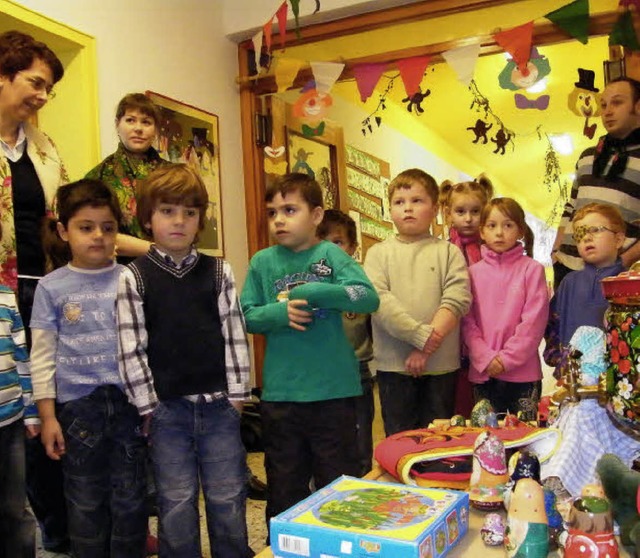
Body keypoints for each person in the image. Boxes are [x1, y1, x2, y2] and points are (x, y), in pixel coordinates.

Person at [117, 164, 253, 557]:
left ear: (200, 221)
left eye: (189, 213)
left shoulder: (218, 272)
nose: (179, 221)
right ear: (147, 218)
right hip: (166, 412)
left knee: (228, 495)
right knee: (175, 501)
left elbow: (234, 334)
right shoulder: (134, 277)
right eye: (167, 211)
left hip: (218, 407)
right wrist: (148, 406)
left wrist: (238, 396)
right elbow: (130, 348)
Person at [240, 173, 379, 528]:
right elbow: (246, 315)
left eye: (290, 210)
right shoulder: (262, 262)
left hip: (334, 393)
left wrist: (318, 292)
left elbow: (366, 296)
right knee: (284, 483)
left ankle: (339, 544)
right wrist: (279, 313)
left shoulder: (330, 254)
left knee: (338, 484)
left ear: (316, 216)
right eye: (272, 213)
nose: (279, 220)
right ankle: (284, 545)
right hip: (282, 396)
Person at [30, 180, 147, 557]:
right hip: (78, 410)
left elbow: (147, 346)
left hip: (128, 403)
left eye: (108, 227)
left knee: (131, 498)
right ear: (64, 231)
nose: (98, 236)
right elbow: (43, 356)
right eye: (86, 227)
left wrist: (150, 404)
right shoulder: (51, 287)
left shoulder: (132, 280)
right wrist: (47, 416)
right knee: (84, 499)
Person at [0, 29, 70, 554]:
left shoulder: (43, 149)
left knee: (47, 412)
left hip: (40, 292)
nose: (42, 96)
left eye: (48, 88)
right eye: (35, 83)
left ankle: (59, 530)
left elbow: (67, 218)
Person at [364, 168, 471, 436]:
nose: (407, 208)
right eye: (399, 202)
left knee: (439, 439)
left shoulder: (449, 252)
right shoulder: (378, 254)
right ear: (390, 209)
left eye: (417, 201)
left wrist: (426, 348)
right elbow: (379, 301)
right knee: (399, 438)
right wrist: (418, 336)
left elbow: (456, 299)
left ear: (435, 208)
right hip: (393, 366)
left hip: (440, 366)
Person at [462, 198, 549, 420]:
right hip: (484, 371)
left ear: (520, 229)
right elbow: (467, 321)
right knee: (487, 438)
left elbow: (534, 323)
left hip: (523, 374)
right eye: (492, 226)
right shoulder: (472, 273)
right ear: (482, 231)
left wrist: (507, 359)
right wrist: (486, 358)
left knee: (526, 438)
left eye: (508, 225)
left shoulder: (532, 270)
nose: (499, 232)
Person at [552, 77, 640, 288]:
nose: (607, 111)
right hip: (566, 267)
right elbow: (570, 207)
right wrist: (556, 251)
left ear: (638, 106)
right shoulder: (587, 156)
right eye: (603, 105)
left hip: (613, 272)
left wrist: (623, 262)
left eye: (617, 102)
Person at [317, 208, 375, 477]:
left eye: (337, 242)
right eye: (322, 241)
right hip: (320, 377)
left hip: (357, 372)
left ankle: (361, 482)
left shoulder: (360, 285)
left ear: (352, 247)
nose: (329, 249)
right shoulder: (307, 286)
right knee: (324, 439)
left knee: (360, 439)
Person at [86, 93, 168, 260]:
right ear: (117, 124)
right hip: (117, 275)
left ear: (156, 129)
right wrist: (161, 252)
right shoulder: (98, 177)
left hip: (171, 273)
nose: (138, 128)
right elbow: (93, 232)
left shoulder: (173, 175)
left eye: (146, 122)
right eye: (130, 120)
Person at [545, 202, 626, 373]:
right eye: (580, 233)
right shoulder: (569, 283)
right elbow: (552, 323)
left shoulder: (629, 284)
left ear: (618, 239)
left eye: (596, 230)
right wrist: (558, 358)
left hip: (619, 380)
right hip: (573, 379)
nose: (587, 238)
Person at [440, 175, 493, 417]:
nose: (469, 218)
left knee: (485, 396)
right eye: (461, 211)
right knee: (458, 400)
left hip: (485, 329)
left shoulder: (491, 250)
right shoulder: (443, 250)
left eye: (475, 211)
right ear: (448, 212)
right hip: (453, 333)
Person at [0, 228, 37, 557]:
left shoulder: (6, 296)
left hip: (10, 420)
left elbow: (22, 356)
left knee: (14, 507)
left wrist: (32, 410)